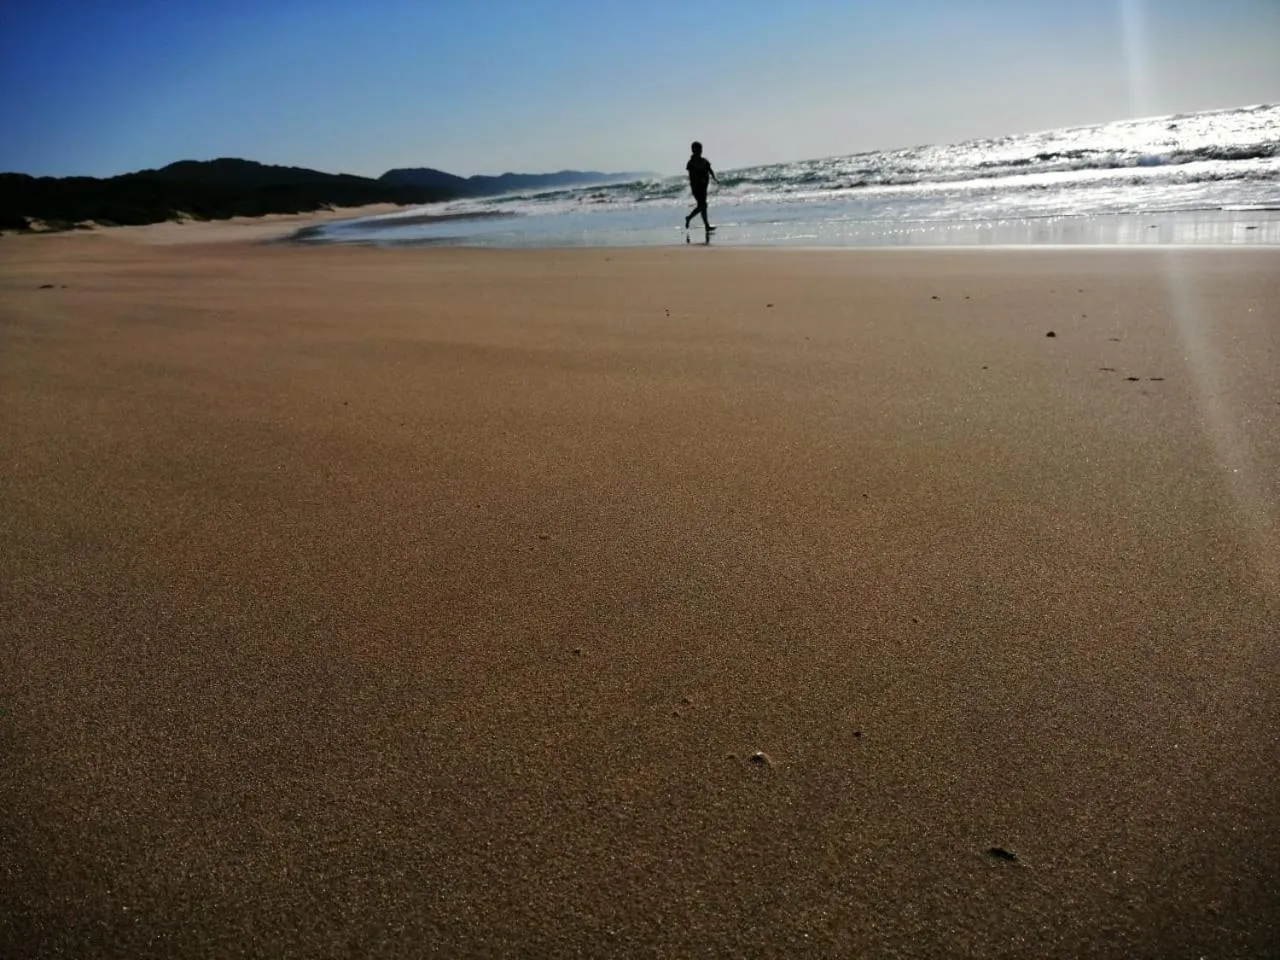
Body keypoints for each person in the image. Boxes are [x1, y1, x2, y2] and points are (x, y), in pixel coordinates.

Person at [684, 141, 719, 234]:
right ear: (693, 150)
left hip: (704, 187)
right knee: (703, 205)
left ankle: (707, 226)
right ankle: (689, 217)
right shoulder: (691, 163)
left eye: (700, 149)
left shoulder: (704, 160)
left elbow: (709, 169)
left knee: (703, 207)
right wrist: (700, 180)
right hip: (696, 188)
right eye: (698, 149)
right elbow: (692, 176)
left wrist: (714, 178)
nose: (700, 151)